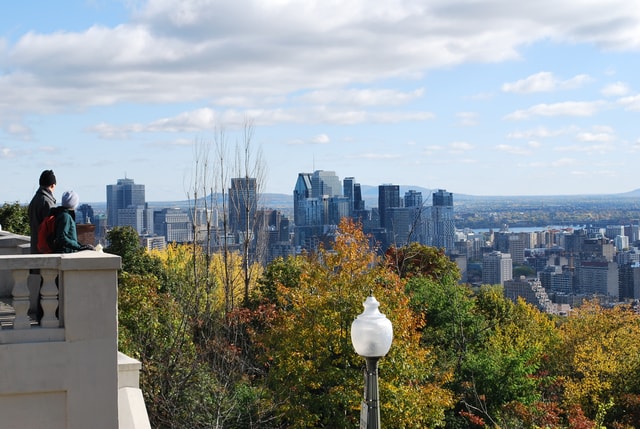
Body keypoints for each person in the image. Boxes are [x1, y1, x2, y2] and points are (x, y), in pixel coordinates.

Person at [28, 170, 57, 254]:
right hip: (44, 249)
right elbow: (51, 227)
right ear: (52, 185)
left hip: (35, 246)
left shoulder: (35, 199)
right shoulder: (47, 201)